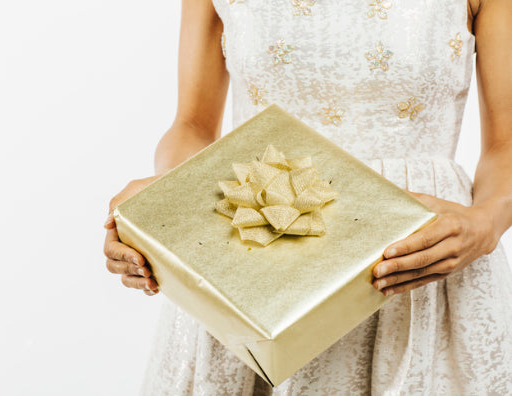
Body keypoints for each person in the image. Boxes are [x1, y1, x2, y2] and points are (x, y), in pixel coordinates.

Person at [104, 0, 512, 393]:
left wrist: (487, 222)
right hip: (257, 248)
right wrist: (160, 207)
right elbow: (192, 123)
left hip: (421, 260)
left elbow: (505, 143)